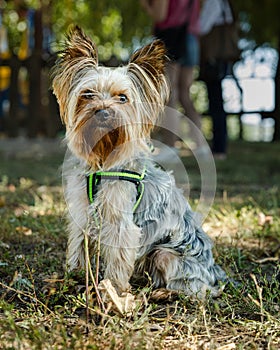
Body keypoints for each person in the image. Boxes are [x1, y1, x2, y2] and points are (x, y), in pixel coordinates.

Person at [140, 0, 204, 151]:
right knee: (185, 95)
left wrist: (145, 4)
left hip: (171, 38)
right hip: (191, 39)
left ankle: (170, 147)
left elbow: (159, 16)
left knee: (170, 93)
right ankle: (201, 146)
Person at [199, 0, 237, 159]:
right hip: (218, 57)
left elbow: (202, 26)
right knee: (216, 101)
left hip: (213, 58)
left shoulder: (213, 2)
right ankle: (219, 146)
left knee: (216, 102)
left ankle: (219, 148)